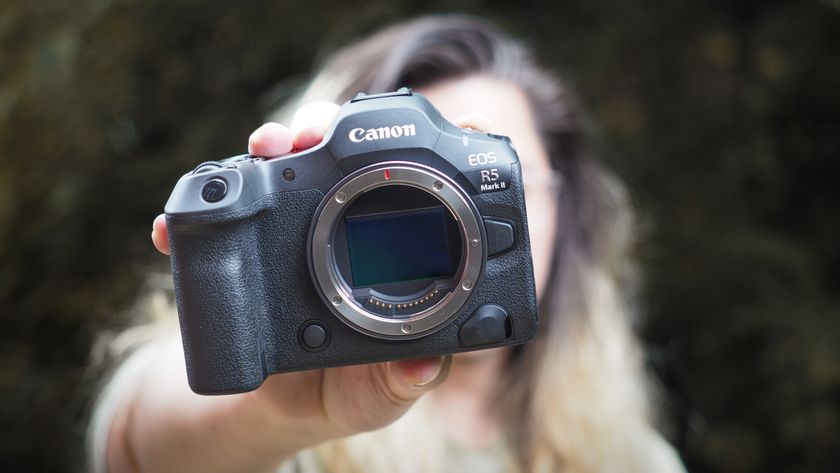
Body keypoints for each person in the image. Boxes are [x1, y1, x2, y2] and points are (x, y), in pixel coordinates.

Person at [88, 14, 686, 473]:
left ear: (568, 205)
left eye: (490, 178)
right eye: (408, 179)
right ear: (298, 211)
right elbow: (137, 448)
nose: (462, 212)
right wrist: (270, 408)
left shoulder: (632, 456)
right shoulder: (289, 417)